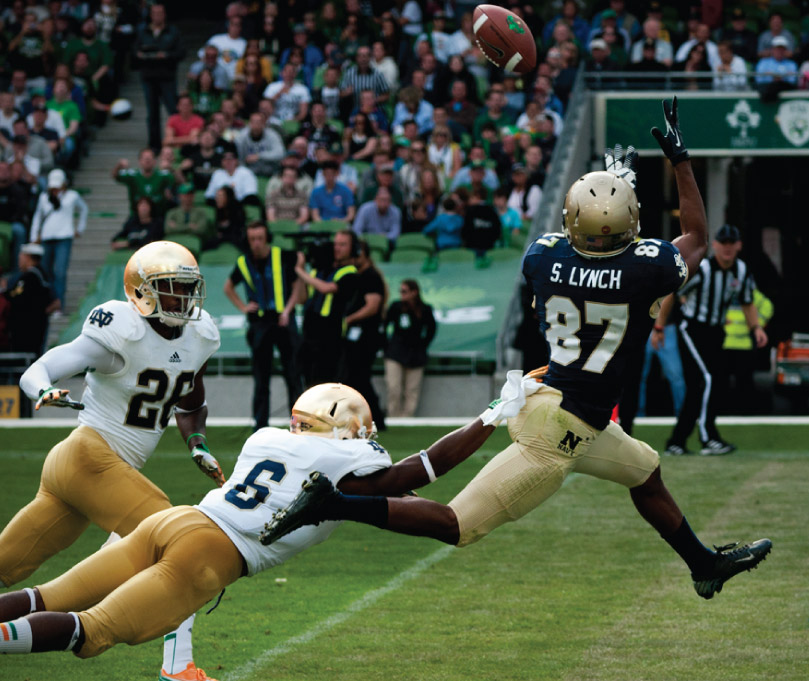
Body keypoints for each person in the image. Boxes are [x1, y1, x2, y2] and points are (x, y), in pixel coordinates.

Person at [263, 98, 772, 601]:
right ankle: (335, 502)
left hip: (557, 401)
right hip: (558, 429)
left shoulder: (542, 256)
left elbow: (586, 236)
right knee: (457, 524)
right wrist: (679, 160)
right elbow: (696, 237)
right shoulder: (646, 269)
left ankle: (703, 565)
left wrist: (615, 184)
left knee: (644, 470)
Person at [0, 378, 537, 664]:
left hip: (177, 521)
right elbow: (420, 470)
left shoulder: (266, 438)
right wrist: (491, 415)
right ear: (348, 429)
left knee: (49, 595)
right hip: (208, 555)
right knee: (91, 631)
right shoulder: (346, 460)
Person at [0, 241, 223, 681]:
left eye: (186, 288)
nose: (183, 299)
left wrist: (196, 441)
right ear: (141, 292)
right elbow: (41, 367)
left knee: (13, 567)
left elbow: (189, 397)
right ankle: (179, 669)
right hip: (90, 458)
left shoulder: (200, 334)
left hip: (94, 473)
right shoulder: (120, 330)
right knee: (184, 541)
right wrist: (42, 389)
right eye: (171, 288)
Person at [659, 224, 768, 456]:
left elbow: (747, 301)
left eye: (732, 243)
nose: (727, 248)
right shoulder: (703, 269)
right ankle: (708, 438)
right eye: (723, 243)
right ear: (715, 245)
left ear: (738, 246)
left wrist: (756, 328)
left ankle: (676, 442)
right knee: (709, 379)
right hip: (692, 330)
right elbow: (673, 293)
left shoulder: (741, 271)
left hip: (716, 331)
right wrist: (659, 326)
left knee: (699, 386)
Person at [223, 222, 305, 430]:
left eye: (260, 238)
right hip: (260, 323)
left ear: (266, 237)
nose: (256, 243)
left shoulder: (282, 256)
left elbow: (297, 286)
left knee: (293, 375)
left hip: (283, 319)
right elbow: (228, 287)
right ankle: (260, 427)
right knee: (261, 378)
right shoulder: (243, 262)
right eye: (252, 239)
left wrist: (287, 310)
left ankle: (299, 424)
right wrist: (243, 307)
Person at [294, 230, 359, 386]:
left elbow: (327, 288)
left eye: (343, 245)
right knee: (308, 382)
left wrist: (301, 272)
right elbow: (302, 299)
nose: (337, 248)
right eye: (336, 244)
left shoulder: (350, 272)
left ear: (352, 248)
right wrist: (300, 276)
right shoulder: (318, 271)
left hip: (330, 336)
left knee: (326, 383)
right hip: (310, 332)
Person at [342, 241, 387, 429]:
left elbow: (373, 305)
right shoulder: (360, 276)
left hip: (366, 334)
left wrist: (350, 319)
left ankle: (375, 416)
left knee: (360, 376)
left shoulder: (371, 276)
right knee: (356, 377)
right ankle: (368, 417)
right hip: (358, 334)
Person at [29, 168, 88, 312]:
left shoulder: (72, 196)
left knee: (60, 272)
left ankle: (58, 305)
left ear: (64, 184)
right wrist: (33, 236)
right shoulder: (44, 197)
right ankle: (47, 303)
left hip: (64, 237)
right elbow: (38, 216)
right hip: (46, 237)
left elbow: (84, 209)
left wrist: (79, 228)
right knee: (45, 271)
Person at [134, 4, 184, 151]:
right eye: (154, 13)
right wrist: (140, 55)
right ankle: (154, 145)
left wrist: (166, 55)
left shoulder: (173, 31)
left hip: (167, 76)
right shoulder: (143, 31)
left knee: (173, 109)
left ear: (165, 14)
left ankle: (178, 141)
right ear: (150, 15)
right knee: (152, 113)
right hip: (148, 76)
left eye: (160, 13)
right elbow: (134, 50)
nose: (157, 16)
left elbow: (181, 52)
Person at [383, 279, 436, 417]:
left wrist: (422, 344)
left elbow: (431, 329)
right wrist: (387, 346)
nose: (402, 294)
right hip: (395, 353)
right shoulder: (396, 307)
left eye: (405, 291)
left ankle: (406, 418)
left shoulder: (424, 309)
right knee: (394, 387)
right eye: (401, 291)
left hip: (416, 354)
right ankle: (393, 416)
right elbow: (384, 326)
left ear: (414, 292)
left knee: (412, 390)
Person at [3, 242, 59, 358]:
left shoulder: (29, 277)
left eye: (21, 256)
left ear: (27, 257)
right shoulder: (43, 275)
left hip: (26, 329)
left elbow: (15, 296)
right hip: (37, 326)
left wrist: (4, 290)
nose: (19, 259)